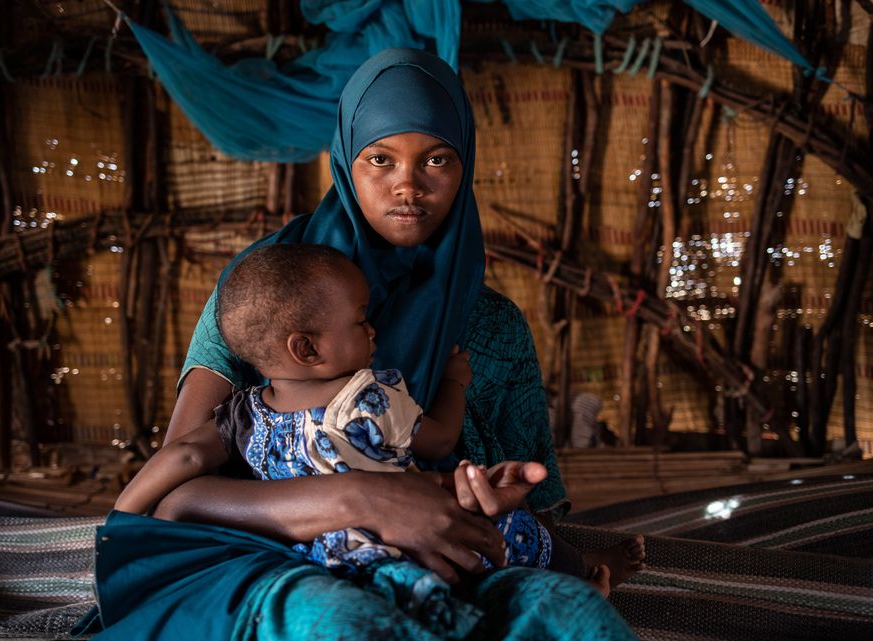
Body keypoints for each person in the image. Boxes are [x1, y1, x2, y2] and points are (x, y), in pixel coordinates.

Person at [79, 48, 641, 641]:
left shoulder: (494, 326)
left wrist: (492, 502)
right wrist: (358, 496)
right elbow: (180, 496)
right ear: (345, 159)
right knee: (340, 622)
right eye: (380, 158)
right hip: (276, 555)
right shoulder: (266, 291)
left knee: (575, 618)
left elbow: (534, 503)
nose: (408, 185)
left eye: (437, 160)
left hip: (453, 555)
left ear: (465, 164)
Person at [113, 243, 641, 594]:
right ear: (306, 347)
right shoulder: (372, 397)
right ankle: (585, 578)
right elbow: (438, 440)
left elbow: (182, 455)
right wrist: (455, 383)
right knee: (510, 533)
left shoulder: (241, 414)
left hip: (319, 559)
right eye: (362, 320)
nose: (372, 332)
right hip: (415, 538)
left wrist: (122, 524)